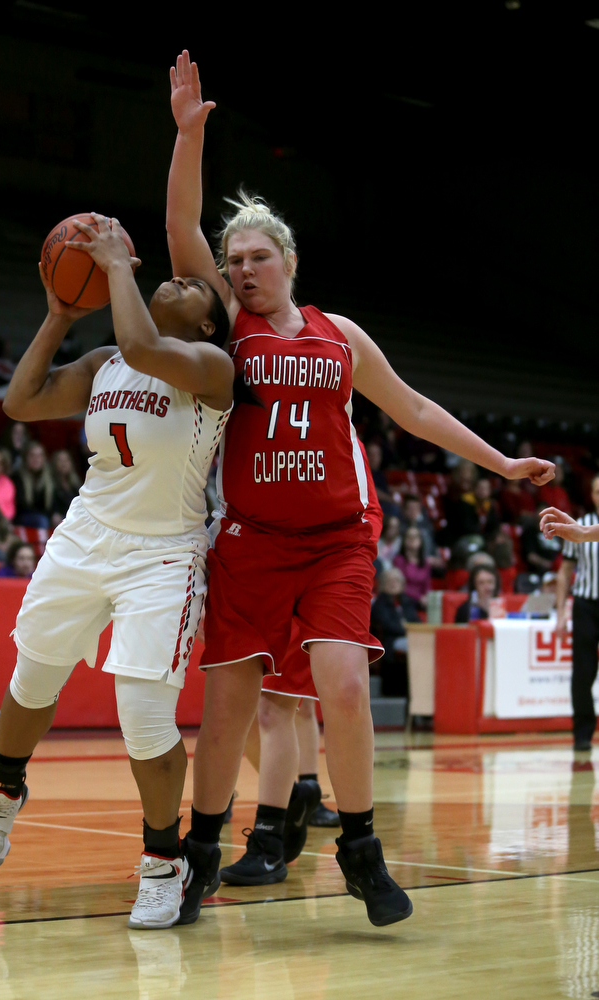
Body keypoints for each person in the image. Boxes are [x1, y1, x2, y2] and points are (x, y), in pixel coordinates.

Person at [165, 49, 555, 929]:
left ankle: (360, 851)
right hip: (252, 540)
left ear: (290, 260)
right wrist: (189, 137)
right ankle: (199, 856)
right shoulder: (233, 329)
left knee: (340, 684)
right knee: (228, 704)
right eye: (233, 262)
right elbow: (181, 228)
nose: (241, 271)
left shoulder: (341, 334)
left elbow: (413, 408)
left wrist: (502, 464)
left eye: (257, 257)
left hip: (338, 539)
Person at [0, 213, 234, 934]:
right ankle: (3, 788)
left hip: (163, 553)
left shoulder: (212, 371)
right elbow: (20, 402)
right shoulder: (106, 362)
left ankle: (161, 861)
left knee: (144, 715)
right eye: (169, 274)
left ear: (209, 325)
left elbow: (147, 343)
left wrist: (119, 265)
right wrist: (57, 315)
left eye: (191, 285)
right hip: (87, 534)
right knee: (32, 678)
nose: (177, 279)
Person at [221, 438, 382, 887]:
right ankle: (294, 794)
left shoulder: (335, 439)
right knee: (248, 709)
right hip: (255, 560)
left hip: (316, 570)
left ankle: (271, 839)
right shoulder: (253, 431)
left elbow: (368, 515)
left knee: (278, 707)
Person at [541, 477, 599, 752]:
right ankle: (582, 735)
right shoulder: (581, 523)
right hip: (586, 604)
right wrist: (562, 612)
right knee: (583, 673)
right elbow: (565, 573)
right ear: (592, 494)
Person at [370, 567, 420, 697]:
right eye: (389, 580)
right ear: (382, 584)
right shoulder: (379, 603)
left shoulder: (407, 602)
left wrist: (407, 628)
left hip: (409, 639)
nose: (393, 583)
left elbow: (417, 622)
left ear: (402, 584)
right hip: (389, 644)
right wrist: (406, 628)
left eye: (396, 580)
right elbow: (387, 625)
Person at [12, 442, 56, 529]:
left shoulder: (49, 478)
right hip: (23, 517)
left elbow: (52, 505)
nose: (36, 459)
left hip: (43, 516)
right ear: (26, 458)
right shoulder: (17, 477)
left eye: (40, 456)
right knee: (42, 520)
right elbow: (22, 506)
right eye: (32, 456)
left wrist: (54, 514)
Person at [393, 526, 431, 607]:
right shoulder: (399, 560)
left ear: (420, 540)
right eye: (409, 536)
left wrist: (427, 598)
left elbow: (427, 586)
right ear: (404, 540)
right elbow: (400, 585)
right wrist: (419, 597)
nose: (412, 539)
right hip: (405, 599)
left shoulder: (425, 563)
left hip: (422, 601)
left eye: (415, 536)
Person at [50, 449, 82, 524]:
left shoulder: (76, 484)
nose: (63, 464)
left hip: (74, 517)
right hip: (58, 518)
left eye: (66, 460)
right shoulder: (49, 482)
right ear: (54, 463)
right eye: (60, 460)